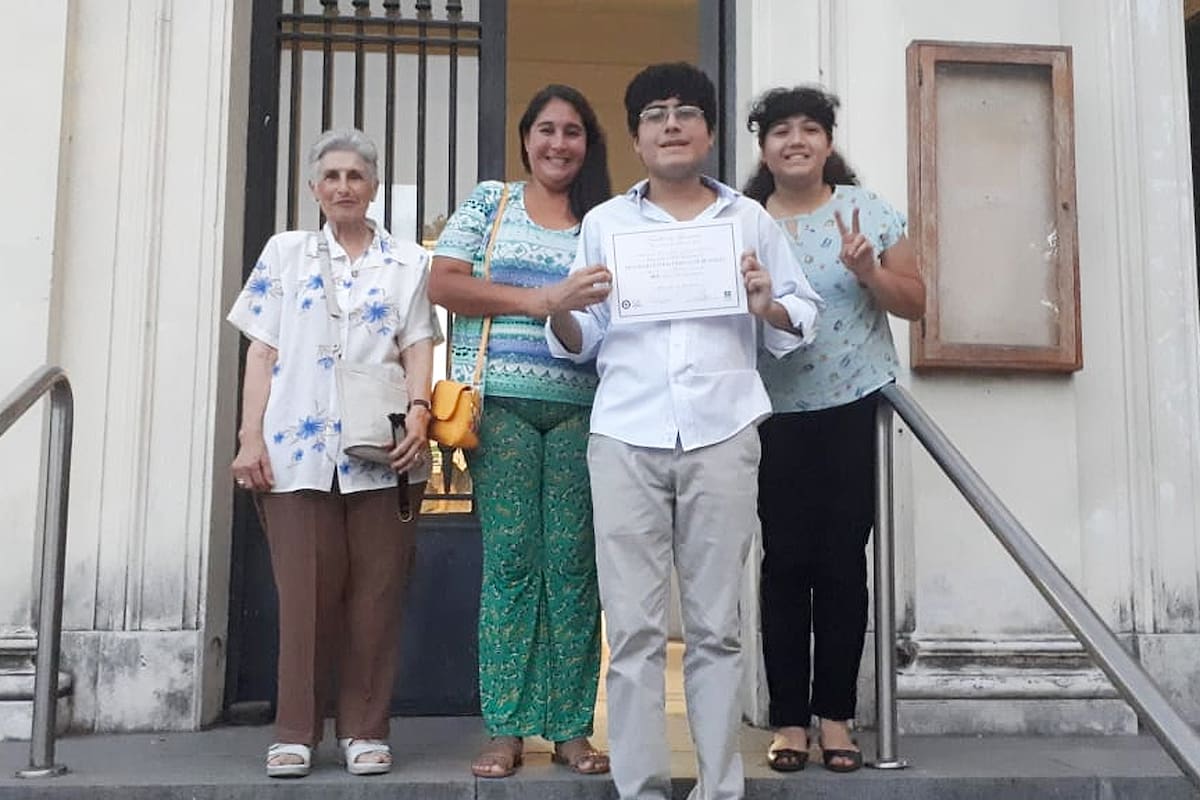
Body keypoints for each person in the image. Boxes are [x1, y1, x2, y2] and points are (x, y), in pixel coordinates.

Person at [547, 63, 823, 800]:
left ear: (708, 131)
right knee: (633, 632)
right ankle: (638, 789)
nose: (671, 124)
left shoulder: (749, 220)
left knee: (715, 626)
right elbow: (581, 337)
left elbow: (805, 316)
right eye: (655, 115)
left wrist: (766, 304)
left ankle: (719, 788)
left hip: (722, 432)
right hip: (626, 434)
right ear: (636, 138)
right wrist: (558, 306)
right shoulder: (604, 224)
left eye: (686, 113)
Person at [228, 128, 438, 778]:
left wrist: (423, 414)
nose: (344, 186)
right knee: (304, 597)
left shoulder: (407, 263)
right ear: (315, 189)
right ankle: (295, 731)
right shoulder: (285, 254)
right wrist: (249, 437)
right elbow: (261, 351)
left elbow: (418, 344)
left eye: (356, 176)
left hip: (383, 448)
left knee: (376, 595)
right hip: (295, 450)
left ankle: (364, 730)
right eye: (333, 177)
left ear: (373, 188)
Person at [428, 84, 614, 779]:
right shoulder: (489, 203)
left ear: (587, 144)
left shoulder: (604, 220)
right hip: (500, 407)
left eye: (572, 131)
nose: (558, 143)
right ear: (526, 138)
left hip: (584, 408)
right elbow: (443, 284)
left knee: (572, 567)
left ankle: (569, 729)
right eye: (545, 129)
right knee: (511, 563)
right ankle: (505, 727)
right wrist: (536, 301)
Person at [743, 86, 925, 773]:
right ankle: (790, 720)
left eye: (809, 129)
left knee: (844, 565)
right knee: (784, 565)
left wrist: (869, 270)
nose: (796, 140)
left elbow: (918, 302)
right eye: (781, 130)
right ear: (763, 147)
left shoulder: (867, 211)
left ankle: (838, 718)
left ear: (827, 142)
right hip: (772, 415)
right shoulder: (744, 219)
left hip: (854, 408)